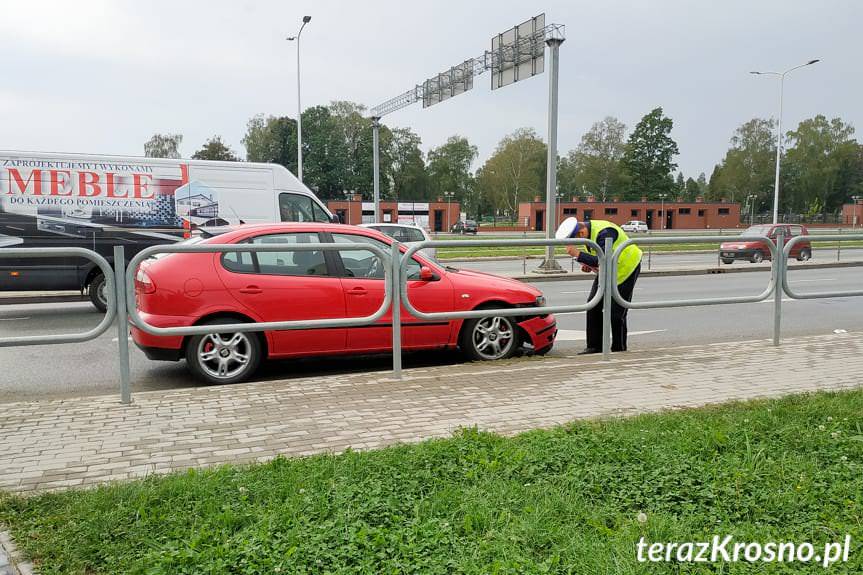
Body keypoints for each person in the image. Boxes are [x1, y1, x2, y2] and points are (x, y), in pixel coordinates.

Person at [555, 217, 643, 354]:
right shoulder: (589, 233)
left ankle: (619, 349)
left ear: (581, 233)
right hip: (607, 271)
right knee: (593, 305)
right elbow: (598, 259)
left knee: (616, 312)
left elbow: (604, 259)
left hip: (626, 269)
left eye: (576, 240)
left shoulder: (605, 232)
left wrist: (578, 254)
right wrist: (588, 264)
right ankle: (594, 346)